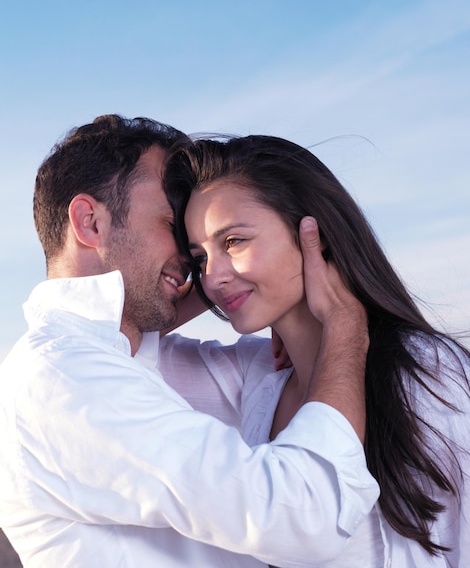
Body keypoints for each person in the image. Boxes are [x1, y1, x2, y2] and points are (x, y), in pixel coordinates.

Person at [0, 115, 379, 568]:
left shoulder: (110, 358)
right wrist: (344, 326)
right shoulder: (66, 378)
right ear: (90, 222)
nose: (193, 261)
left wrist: (271, 298)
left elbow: (133, 330)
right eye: (169, 224)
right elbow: (306, 513)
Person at [164, 133, 470, 568]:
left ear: (314, 233)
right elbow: (112, 343)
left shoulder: (427, 371)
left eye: (233, 242)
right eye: (199, 259)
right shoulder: (256, 383)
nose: (213, 278)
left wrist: (344, 324)